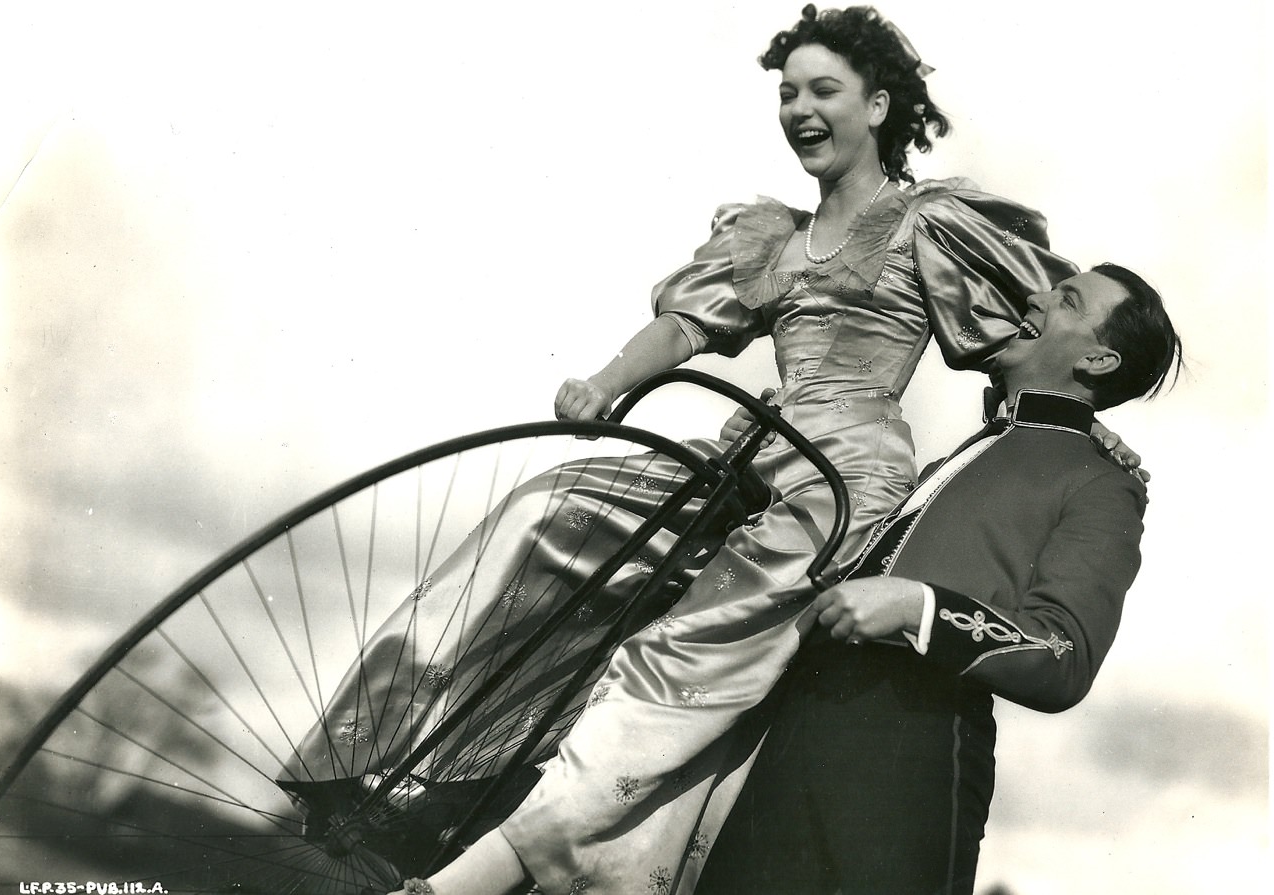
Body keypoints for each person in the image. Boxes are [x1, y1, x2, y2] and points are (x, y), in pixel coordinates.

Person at [284, 6, 1133, 894]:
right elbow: (692, 321)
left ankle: (492, 870)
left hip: (841, 476)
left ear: (879, 106)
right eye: (787, 92)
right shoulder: (770, 235)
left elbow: (1040, 331)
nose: (800, 108)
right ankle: (379, 752)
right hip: (746, 449)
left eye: (824, 90)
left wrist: (1078, 425)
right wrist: (607, 382)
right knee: (548, 513)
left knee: (683, 650)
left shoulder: (928, 223)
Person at [693, 264, 1183, 895]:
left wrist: (915, 608)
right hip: (792, 729)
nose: (1033, 295)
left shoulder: (1102, 484)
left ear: (1100, 357)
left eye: (1066, 301)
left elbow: (1064, 656)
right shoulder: (965, 452)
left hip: (912, 748)